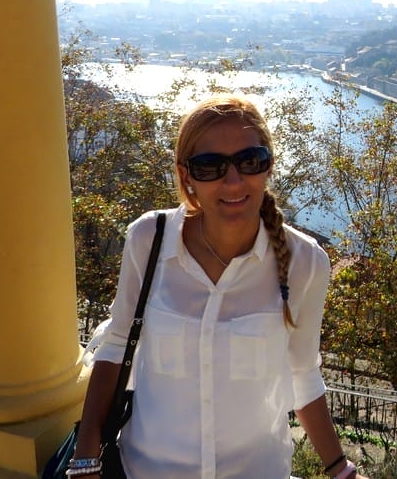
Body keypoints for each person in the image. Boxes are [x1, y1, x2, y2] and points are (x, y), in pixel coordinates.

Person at [70, 94, 367, 479]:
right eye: (209, 166)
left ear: (268, 166)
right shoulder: (149, 240)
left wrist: (340, 468)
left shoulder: (305, 263)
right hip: (144, 469)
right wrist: (85, 453)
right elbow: (115, 344)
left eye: (249, 161)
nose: (233, 180)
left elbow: (303, 373)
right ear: (186, 175)